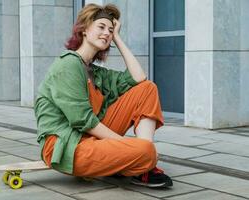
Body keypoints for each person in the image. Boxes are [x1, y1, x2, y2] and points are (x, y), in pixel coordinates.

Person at [34, 3, 173, 188]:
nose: (106, 33)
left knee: (147, 89)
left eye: (110, 30)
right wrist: (126, 145)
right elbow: (83, 120)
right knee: (145, 150)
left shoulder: (95, 71)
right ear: (84, 29)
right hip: (67, 144)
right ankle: (140, 160)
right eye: (101, 27)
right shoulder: (68, 65)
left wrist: (118, 38)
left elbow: (139, 78)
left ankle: (142, 166)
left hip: (89, 137)